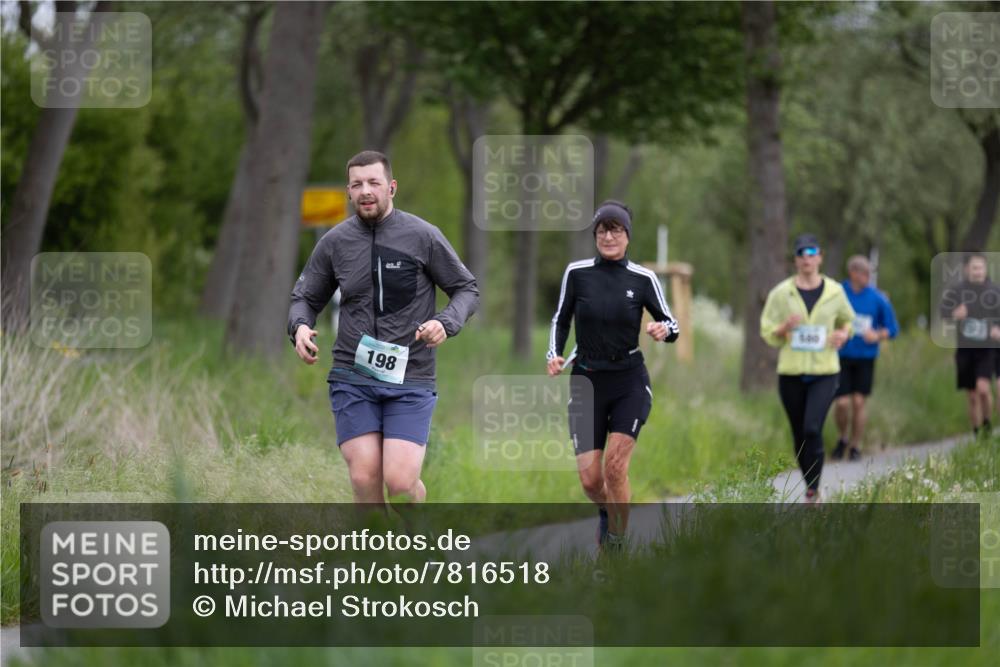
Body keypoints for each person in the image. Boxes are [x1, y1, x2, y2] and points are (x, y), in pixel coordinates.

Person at [288, 150, 479, 504]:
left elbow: (466, 288)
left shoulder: (424, 236)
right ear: (348, 191)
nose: (366, 191)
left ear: (391, 187)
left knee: (402, 484)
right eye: (357, 184)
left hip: (411, 376)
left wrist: (445, 322)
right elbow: (305, 298)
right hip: (352, 375)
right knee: (364, 478)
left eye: (374, 182)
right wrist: (300, 327)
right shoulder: (334, 243)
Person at [546, 200, 680, 551]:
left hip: (628, 382)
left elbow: (672, 322)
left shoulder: (643, 278)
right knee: (591, 481)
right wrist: (554, 354)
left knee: (615, 468)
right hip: (586, 382)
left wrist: (663, 330)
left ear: (627, 236)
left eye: (615, 229)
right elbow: (561, 318)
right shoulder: (577, 273)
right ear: (595, 236)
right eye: (602, 230)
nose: (608, 236)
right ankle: (610, 511)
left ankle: (616, 546)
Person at [760, 234, 855, 503]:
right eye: (801, 254)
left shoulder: (835, 291)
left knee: (813, 427)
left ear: (820, 257)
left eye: (812, 253)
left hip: (825, 371)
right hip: (791, 372)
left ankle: (813, 489)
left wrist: (843, 334)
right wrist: (784, 328)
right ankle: (810, 485)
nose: (806, 258)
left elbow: (849, 321)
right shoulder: (782, 293)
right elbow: (766, 330)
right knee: (800, 434)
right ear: (795, 260)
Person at [832, 255, 899, 461]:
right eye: (865, 273)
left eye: (870, 273)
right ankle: (843, 437)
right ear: (853, 273)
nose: (868, 277)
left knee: (859, 402)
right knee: (842, 403)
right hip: (841, 355)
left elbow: (893, 329)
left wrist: (877, 335)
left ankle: (855, 446)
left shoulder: (878, 298)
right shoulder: (837, 292)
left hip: (865, 357)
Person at [939, 252, 1000, 438]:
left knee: (983, 389)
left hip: (987, 349)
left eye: (980, 268)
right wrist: (954, 314)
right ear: (967, 269)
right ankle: (976, 432)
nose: (977, 272)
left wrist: (997, 329)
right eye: (974, 268)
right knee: (972, 395)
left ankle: (987, 423)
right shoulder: (957, 291)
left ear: (985, 269)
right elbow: (944, 313)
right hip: (965, 349)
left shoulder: (994, 291)